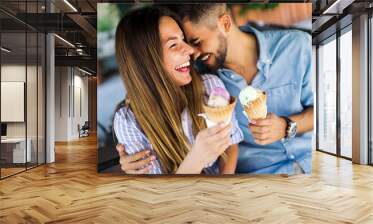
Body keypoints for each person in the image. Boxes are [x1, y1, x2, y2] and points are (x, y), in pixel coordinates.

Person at [118, 4, 314, 175]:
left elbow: (329, 113)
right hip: (258, 177)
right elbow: (151, 80)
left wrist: (287, 126)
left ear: (225, 24)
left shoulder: (296, 46)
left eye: (195, 41)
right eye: (184, 43)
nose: (191, 52)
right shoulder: (201, 76)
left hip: (310, 161)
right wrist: (132, 166)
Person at [113, 6, 243, 174]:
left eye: (184, 40)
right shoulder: (128, 122)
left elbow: (231, 144)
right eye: (174, 44)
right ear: (146, 61)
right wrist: (197, 157)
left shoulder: (211, 86)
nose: (190, 50)